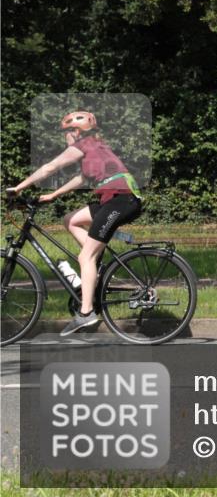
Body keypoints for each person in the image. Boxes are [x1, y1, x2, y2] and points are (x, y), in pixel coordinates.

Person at [6, 111, 142, 336]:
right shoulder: (94, 148)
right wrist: (54, 194)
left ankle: (86, 313)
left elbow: (51, 167)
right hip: (116, 199)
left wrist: (18, 188)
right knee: (71, 220)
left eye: (66, 133)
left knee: (84, 257)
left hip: (121, 200)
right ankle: (93, 265)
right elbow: (81, 178)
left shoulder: (84, 144)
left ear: (75, 132)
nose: (65, 138)